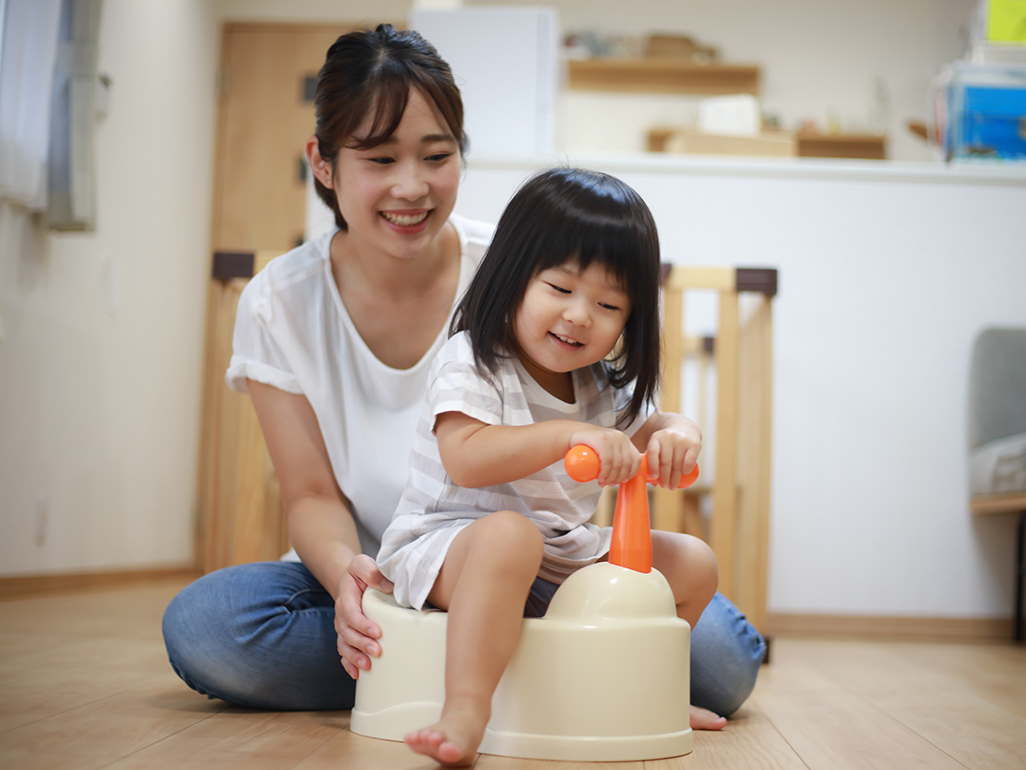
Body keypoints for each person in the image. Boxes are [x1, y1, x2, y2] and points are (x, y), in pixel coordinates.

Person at [161, 23, 764, 731]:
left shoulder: (524, 272)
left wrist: (675, 432)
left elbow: (639, 416)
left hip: (552, 560)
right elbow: (312, 493)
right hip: (399, 564)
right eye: (379, 158)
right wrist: (346, 581)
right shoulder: (283, 300)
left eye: (436, 155)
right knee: (209, 628)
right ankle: (527, 684)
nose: (411, 186)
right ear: (322, 164)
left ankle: (481, 670)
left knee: (724, 660)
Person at [376, 167, 719, 766]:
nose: (581, 315)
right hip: (451, 546)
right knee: (509, 536)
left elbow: (646, 430)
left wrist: (678, 433)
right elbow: (467, 456)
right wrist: (566, 435)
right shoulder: (473, 360)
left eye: (608, 303)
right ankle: (466, 708)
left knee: (692, 562)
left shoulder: (600, 384)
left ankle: (648, 690)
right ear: (513, 277)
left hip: (559, 551)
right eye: (560, 289)